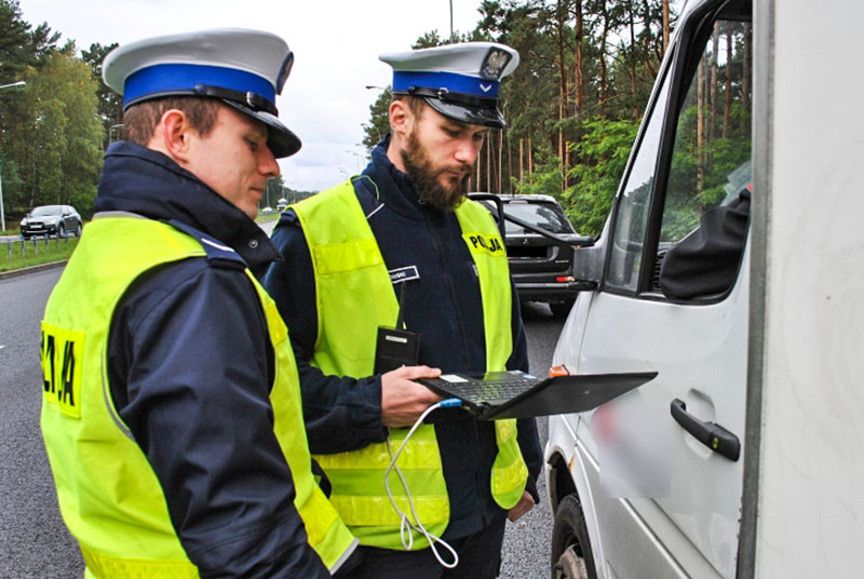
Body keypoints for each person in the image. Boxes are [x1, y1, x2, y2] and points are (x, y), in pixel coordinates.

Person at [39, 29, 358, 577]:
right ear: (178, 134)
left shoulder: (105, 253)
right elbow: (244, 534)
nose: (272, 167)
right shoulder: (193, 281)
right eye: (251, 143)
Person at [263, 42, 542, 579]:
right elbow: (264, 390)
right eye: (452, 133)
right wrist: (371, 404)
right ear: (400, 119)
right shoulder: (315, 231)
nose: (467, 154)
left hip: (483, 518)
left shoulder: (481, 226)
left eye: (478, 138)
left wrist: (526, 469)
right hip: (379, 541)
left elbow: (510, 353)